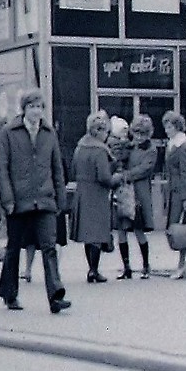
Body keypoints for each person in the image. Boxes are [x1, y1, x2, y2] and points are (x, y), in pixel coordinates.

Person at [0, 89, 71, 314]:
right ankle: (10, 293)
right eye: (32, 107)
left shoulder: (49, 133)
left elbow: (57, 168)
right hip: (19, 201)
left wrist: (61, 199)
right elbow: (2, 169)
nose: (36, 111)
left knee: (49, 247)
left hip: (45, 200)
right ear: (24, 109)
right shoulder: (10, 132)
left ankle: (55, 295)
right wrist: (7, 199)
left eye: (39, 107)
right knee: (14, 248)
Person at [69, 112, 123, 283]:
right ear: (99, 131)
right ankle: (94, 270)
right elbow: (104, 177)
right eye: (106, 131)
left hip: (82, 192)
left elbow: (73, 170)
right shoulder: (99, 150)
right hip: (97, 195)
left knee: (87, 234)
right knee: (97, 234)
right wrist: (118, 178)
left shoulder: (80, 147)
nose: (107, 135)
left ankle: (91, 269)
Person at [115, 114, 157, 279]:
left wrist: (126, 174)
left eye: (142, 134)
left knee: (139, 229)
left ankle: (146, 266)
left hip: (139, 192)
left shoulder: (151, 149)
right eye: (137, 133)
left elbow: (145, 169)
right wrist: (123, 145)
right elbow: (119, 158)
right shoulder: (131, 146)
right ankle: (127, 267)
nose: (139, 137)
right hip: (125, 192)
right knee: (122, 229)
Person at [163, 110, 186, 279]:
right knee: (178, 230)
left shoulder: (182, 146)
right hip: (173, 192)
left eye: (169, 126)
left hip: (181, 193)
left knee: (179, 230)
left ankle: (182, 265)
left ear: (177, 127)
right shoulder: (173, 144)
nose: (166, 130)